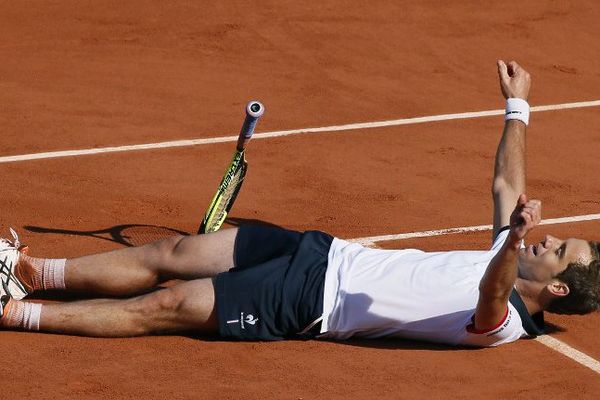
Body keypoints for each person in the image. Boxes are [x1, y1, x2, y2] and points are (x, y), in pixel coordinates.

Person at [1, 61, 598, 346]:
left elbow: (489, 294)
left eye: (559, 249)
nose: (550, 239)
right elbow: (506, 187)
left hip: (310, 303)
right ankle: (32, 272)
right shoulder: (508, 250)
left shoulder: (504, 323)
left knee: (167, 305)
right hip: (318, 253)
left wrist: (516, 238)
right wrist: (518, 106)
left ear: (560, 286)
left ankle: (16, 314)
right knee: (173, 251)